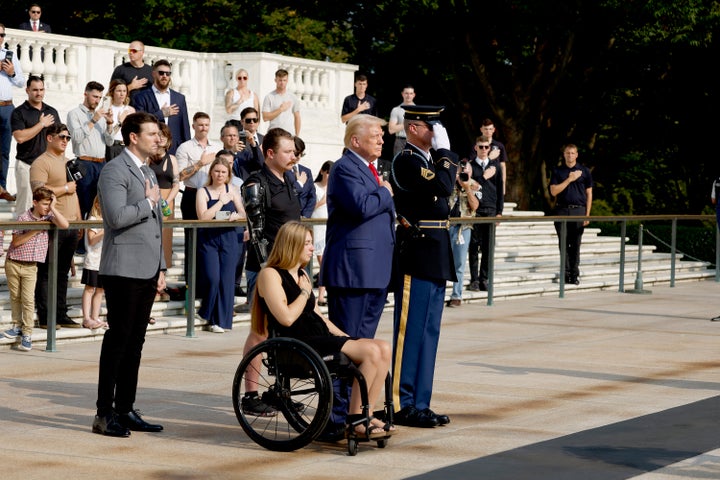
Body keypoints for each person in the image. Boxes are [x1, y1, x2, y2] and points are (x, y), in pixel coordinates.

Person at [252, 221, 395, 438]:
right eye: (307, 243)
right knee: (372, 352)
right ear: (292, 244)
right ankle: (355, 420)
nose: (312, 248)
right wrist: (303, 293)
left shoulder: (302, 275)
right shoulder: (270, 275)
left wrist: (346, 337)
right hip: (297, 342)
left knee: (382, 347)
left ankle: (366, 413)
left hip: (319, 336)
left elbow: (319, 317)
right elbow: (286, 318)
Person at [319, 114, 395, 437]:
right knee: (347, 349)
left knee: (365, 349)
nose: (381, 140)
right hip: (352, 273)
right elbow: (362, 206)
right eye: (375, 135)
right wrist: (386, 192)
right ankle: (337, 418)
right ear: (355, 141)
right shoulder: (344, 167)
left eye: (381, 135)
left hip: (373, 272)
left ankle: (359, 413)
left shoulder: (370, 169)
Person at [93, 111, 166, 438]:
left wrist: (162, 266)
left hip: (148, 269)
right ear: (133, 137)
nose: (158, 139)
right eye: (152, 134)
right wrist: (148, 204)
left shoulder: (149, 172)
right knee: (117, 341)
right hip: (122, 269)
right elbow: (116, 217)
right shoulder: (114, 170)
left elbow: (157, 225)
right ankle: (104, 414)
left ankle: (126, 407)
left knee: (135, 342)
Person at [390, 105, 456, 428]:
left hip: (436, 253)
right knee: (410, 331)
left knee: (429, 332)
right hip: (416, 253)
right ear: (414, 129)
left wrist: (442, 157)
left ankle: (421, 401)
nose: (437, 132)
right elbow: (443, 188)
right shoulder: (407, 160)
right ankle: (402, 403)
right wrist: (446, 153)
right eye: (432, 126)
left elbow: (445, 200)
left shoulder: (428, 161)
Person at [239, 127, 300, 416]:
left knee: (287, 331)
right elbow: (257, 231)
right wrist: (270, 272)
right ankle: (250, 395)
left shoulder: (289, 179)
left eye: (294, 151)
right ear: (270, 153)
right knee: (260, 332)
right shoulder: (256, 183)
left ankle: (280, 390)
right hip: (266, 269)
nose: (293, 155)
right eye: (287, 151)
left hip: (291, 266)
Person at [29, 123, 83, 329]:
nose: (65, 141)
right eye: (61, 137)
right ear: (49, 138)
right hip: (50, 224)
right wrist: (64, 188)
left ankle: (60, 313)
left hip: (69, 224)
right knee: (46, 272)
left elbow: (75, 192)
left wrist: (79, 220)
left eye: (68, 138)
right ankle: (45, 316)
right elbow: (39, 192)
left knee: (61, 272)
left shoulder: (68, 162)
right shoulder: (41, 162)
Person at [2, 187, 69, 352]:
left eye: (49, 204)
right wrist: (36, 229)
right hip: (13, 262)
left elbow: (65, 225)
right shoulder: (24, 217)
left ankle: (27, 332)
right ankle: (17, 325)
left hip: (31, 266)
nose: (47, 207)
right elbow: (16, 242)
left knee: (28, 299)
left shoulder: (49, 217)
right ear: (35, 202)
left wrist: (53, 208)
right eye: (45, 204)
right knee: (15, 297)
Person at [196, 154, 246, 333]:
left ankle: (219, 321)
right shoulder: (203, 191)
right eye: (216, 171)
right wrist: (221, 203)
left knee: (226, 280)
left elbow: (243, 213)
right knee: (212, 278)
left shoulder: (232, 189)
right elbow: (203, 217)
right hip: (209, 238)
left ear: (228, 173)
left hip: (229, 237)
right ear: (211, 172)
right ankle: (206, 310)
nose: (220, 174)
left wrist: (236, 216)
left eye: (223, 172)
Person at [176, 111, 219, 283]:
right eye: (200, 125)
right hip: (192, 195)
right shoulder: (185, 147)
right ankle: (191, 283)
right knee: (192, 241)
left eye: (206, 125)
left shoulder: (215, 147)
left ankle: (208, 280)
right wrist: (201, 163)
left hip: (212, 196)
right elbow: (180, 175)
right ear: (193, 126)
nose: (203, 128)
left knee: (210, 240)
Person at [67, 80, 115, 220]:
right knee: (84, 204)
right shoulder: (74, 114)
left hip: (101, 164)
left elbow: (109, 142)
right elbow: (76, 138)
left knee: (101, 204)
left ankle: (96, 239)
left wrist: (110, 123)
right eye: (95, 97)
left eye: (100, 98)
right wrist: (93, 120)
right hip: (84, 163)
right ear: (85, 94)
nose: (97, 100)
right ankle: (81, 240)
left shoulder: (101, 116)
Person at [11, 75, 59, 211]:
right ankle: (21, 233)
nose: (39, 93)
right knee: (25, 207)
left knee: (47, 207)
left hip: (47, 167)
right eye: (35, 90)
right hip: (26, 165)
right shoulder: (18, 112)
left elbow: (60, 137)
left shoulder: (52, 111)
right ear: (27, 90)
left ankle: (43, 233)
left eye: (41, 89)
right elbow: (19, 137)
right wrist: (41, 124)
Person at [549, 143, 593, 285]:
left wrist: (587, 214)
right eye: (568, 153)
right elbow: (553, 191)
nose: (570, 156)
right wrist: (569, 179)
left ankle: (574, 274)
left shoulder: (584, 171)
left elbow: (589, 193)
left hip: (578, 210)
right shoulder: (557, 171)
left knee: (575, 245)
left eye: (573, 153)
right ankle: (565, 273)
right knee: (563, 244)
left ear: (577, 155)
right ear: (564, 155)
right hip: (561, 210)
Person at [466, 135, 504, 292]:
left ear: (490, 148)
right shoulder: (470, 166)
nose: (483, 150)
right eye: (480, 147)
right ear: (476, 148)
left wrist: (499, 212)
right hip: (475, 210)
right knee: (473, 247)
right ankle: (474, 279)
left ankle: (484, 278)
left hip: (490, 209)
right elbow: (469, 185)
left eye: (486, 147)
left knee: (488, 247)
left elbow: (500, 190)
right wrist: (483, 177)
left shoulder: (495, 167)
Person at [131, 59, 190, 154]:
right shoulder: (141, 97)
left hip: (174, 150)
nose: (165, 76)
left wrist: (187, 150)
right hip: (150, 149)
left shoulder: (179, 98)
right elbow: (139, 122)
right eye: (161, 73)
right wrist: (161, 114)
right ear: (154, 74)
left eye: (168, 73)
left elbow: (185, 128)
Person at [446, 161, 480, 307]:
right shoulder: (450, 182)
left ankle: (456, 295)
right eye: (461, 171)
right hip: (447, 225)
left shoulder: (475, 185)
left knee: (459, 263)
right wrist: (453, 180)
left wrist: (467, 189)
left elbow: (475, 206)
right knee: (443, 261)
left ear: (471, 172)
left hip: (464, 227)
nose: (464, 174)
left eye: (467, 171)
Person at [148, 122, 179, 269]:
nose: (161, 138)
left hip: (168, 203)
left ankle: (163, 280)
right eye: (159, 135)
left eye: (164, 135)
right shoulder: (148, 158)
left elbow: (176, 184)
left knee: (165, 239)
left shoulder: (172, 159)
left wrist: (166, 201)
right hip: (150, 200)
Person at [1, 25, 26, 195]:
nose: (0, 37)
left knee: (4, 150)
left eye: (2, 34)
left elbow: (21, 82)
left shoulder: (10, 55)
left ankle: (1, 187)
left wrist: (11, 73)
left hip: (7, 107)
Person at [81, 195, 107, 330]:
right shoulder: (93, 219)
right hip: (93, 259)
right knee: (90, 288)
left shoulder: (107, 220)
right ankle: (86, 318)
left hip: (104, 261)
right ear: (97, 205)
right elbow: (92, 240)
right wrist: (105, 230)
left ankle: (95, 316)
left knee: (100, 290)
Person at [311, 160, 333, 306]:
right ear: (322, 172)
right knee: (322, 261)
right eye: (328, 173)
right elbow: (309, 208)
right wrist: (323, 200)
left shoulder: (334, 188)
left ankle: (322, 295)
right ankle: (320, 295)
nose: (329, 176)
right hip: (316, 226)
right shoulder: (314, 187)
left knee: (326, 262)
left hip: (328, 226)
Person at [261, 69, 301, 136]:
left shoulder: (293, 97)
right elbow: (265, 117)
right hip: (274, 134)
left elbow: (297, 117)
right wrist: (281, 109)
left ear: (287, 81)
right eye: (280, 80)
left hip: (289, 135)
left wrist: (297, 135)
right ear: (275, 80)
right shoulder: (269, 97)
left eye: (284, 80)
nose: (282, 83)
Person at [105, 79, 136, 161]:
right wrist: (120, 122)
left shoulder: (130, 110)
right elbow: (109, 136)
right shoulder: (107, 110)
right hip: (112, 147)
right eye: (119, 91)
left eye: (124, 91)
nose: (122, 94)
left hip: (127, 147)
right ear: (112, 92)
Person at [290, 136, 316, 218]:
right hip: (288, 217)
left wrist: (305, 215)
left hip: (304, 218)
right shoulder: (282, 170)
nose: (299, 157)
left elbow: (312, 196)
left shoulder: (307, 171)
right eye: (296, 153)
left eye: (302, 154)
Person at [388, 84, 416, 156]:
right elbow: (391, 130)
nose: (408, 96)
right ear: (402, 94)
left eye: (411, 93)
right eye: (406, 93)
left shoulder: (418, 111)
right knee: (398, 166)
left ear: (414, 95)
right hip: (400, 141)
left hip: (415, 141)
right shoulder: (396, 110)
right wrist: (408, 122)